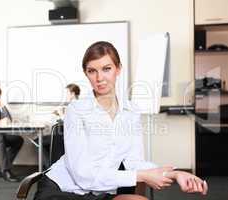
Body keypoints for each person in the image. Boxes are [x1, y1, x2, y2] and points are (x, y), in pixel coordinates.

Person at [33, 41, 208, 200]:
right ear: (86, 74)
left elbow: (134, 161)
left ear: (118, 69)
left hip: (100, 192)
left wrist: (176, 174)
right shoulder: (76, 110)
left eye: (106, 69)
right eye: (92, 71)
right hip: (62, 190)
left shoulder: (131, 112)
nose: (99, 78)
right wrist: (142, 176)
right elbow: (83, 175)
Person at [40, 83, 81, 170]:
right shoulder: (75, 104)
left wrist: (61, 114)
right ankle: (52, 167)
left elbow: (70, 123)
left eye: (67, 93)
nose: (66, 95)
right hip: (67, 136)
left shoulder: (75, 105)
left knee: (39, 141)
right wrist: (59, 115)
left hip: (68, 138)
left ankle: (50, 168)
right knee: (43, 141)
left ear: (72, 94)